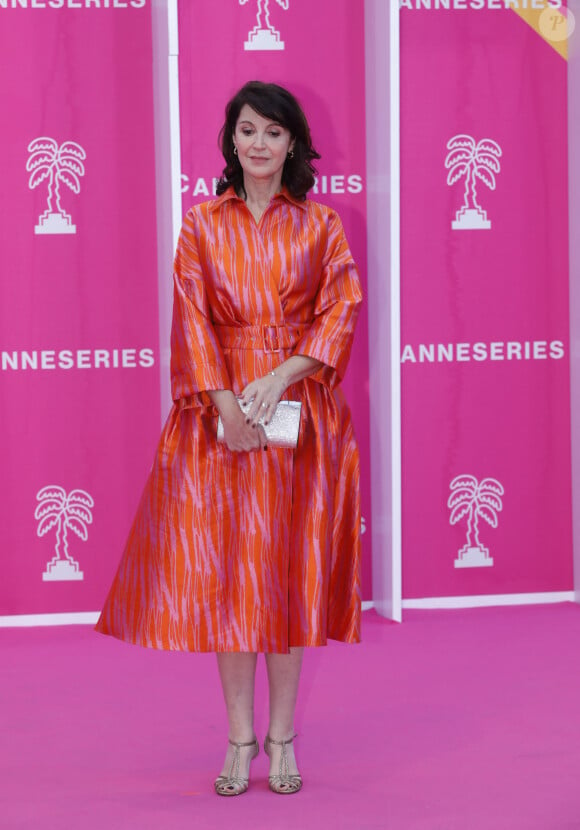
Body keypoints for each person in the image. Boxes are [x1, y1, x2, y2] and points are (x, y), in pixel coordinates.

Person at [95, 80, 362, 796]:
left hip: (297, 414)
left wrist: (276, 381)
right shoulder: (201, 225)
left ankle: (283, 738)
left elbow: (339, 311)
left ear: (294, 143)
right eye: (248, 130)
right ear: (230, 139)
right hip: (219, 419)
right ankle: (240, 736)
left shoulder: (322, 226)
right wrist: (226, 407)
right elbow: (191, 319)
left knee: (286, 578)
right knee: (231, 582)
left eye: (274, 133)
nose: (260, 144)